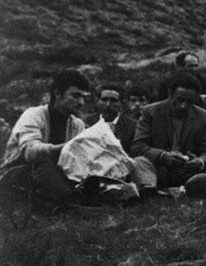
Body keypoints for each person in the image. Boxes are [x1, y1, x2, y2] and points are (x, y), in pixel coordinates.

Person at [0, 70, 90, 204]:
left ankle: (70, 198)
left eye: (84, 97)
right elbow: (31, 152)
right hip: (18, 173)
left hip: (54, 176)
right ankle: (69, 201)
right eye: (76, 96)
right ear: (57, 93)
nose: (81, 102)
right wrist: (64, 148)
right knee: (44, 162)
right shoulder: (33, 115)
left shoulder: (77, 124)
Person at [131, 73, 206, 194]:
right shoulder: (151, 112)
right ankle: (149, 190)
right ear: (170, 94)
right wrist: (163, 156)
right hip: (158, 169)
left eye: (189, 102)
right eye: (179, 100)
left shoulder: (203, 116)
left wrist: (200, 162)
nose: (183, 106)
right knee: (140, 162)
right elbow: (138, 146)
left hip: (189, 172)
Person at [84, 83, 138, 154]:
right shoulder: (86, 122)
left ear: (121, 103)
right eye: (104, 99)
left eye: (113, 100)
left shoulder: (133, 126)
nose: (108, 104)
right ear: (97, 101)